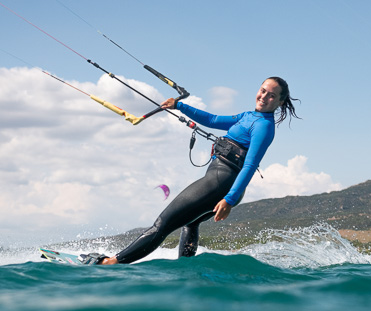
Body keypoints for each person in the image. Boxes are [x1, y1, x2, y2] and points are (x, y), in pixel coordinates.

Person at [81, 77, 300, 265]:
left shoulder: (263, 126)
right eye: (262, 91)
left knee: (162, 224)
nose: (263, 96)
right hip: (221, 180)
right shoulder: (248, 116)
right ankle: (185, 268)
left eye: (271, 95)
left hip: (222, 181)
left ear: (280, 102)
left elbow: (251, 165)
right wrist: (179, 106)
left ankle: (112, 262)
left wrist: (230, 199)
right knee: (191, 221)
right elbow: (213, 120)